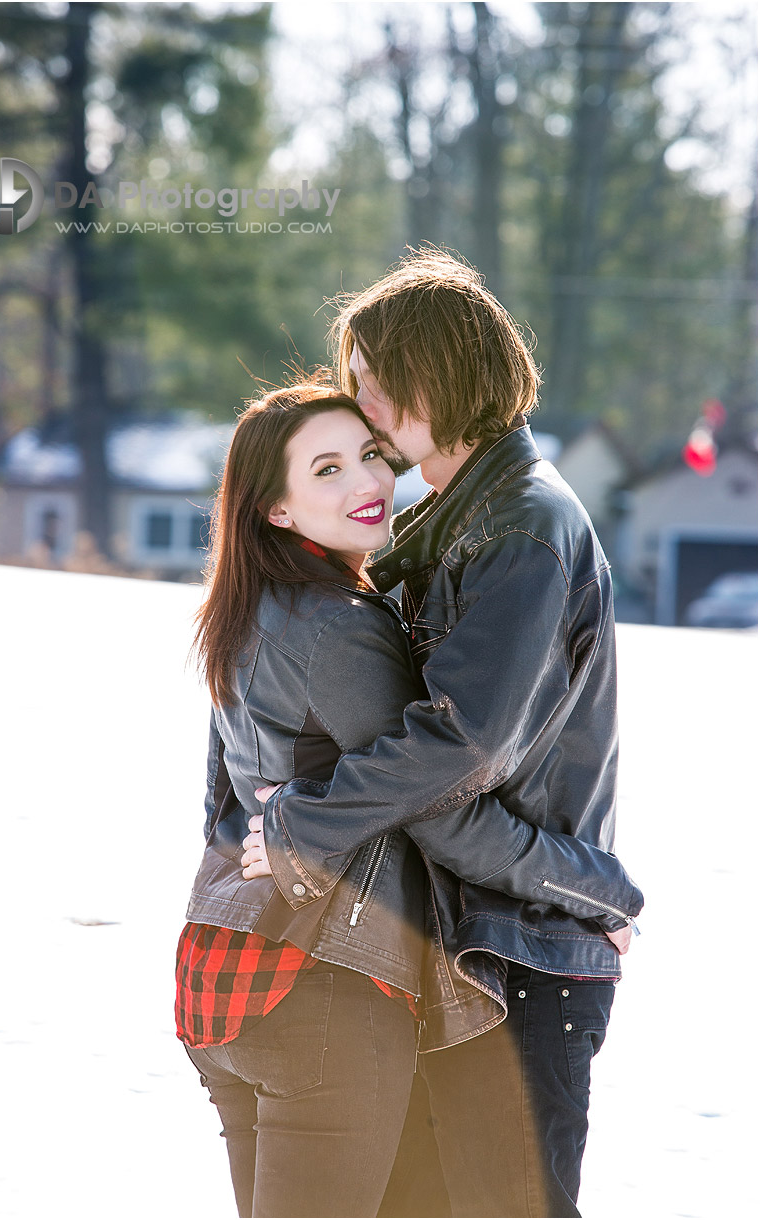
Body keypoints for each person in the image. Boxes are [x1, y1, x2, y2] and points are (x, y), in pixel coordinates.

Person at [242, 250, 643, 1218]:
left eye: (377, 375)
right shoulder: (450, 519)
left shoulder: (523, 529)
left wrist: (305, 823)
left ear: (441, 371)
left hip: (527, 955)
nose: (361, 396)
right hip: (471, 945)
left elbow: (461, 748)